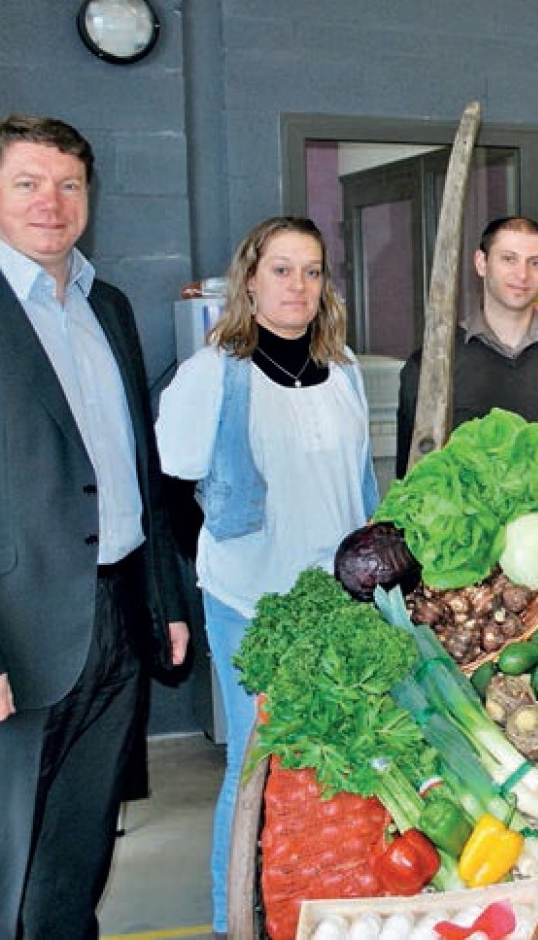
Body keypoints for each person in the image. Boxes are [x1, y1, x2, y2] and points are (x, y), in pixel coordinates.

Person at [0, 113, 189, 939]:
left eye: (69, 184)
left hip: (115, 623)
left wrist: (165, 601)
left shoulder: (105, 305)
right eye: (28, 183)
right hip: (9, 640)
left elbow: (136, 477)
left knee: (78, 854)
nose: (52, 202)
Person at [155, 216, 379, 934]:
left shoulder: (342, 371)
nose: (298, 286)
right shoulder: (210, 374)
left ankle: (315, 904)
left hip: (338, 605)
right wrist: (222, 557)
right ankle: (233, 920)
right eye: (281, 269)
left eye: (312, 271)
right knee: (256, 767)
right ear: (250, 278)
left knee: (336, 762)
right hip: (252, 606)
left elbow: (360, 484)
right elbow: (171, 487)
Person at [395, 215, 538, 475]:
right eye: (508, 259)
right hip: (462, 515)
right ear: (481, 263)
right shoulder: (431, 363)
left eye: (535, 263)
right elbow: (409, 475)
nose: (522, 274)